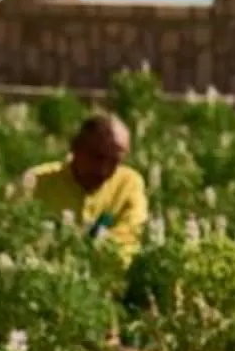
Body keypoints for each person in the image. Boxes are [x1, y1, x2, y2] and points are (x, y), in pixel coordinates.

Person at [19, 112, 147, 266]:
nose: (103, 169)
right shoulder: (36, 182)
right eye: (96, 157)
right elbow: (18, 235)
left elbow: (129, 241)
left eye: (114, 161)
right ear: (75, 147)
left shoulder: (129, 184)